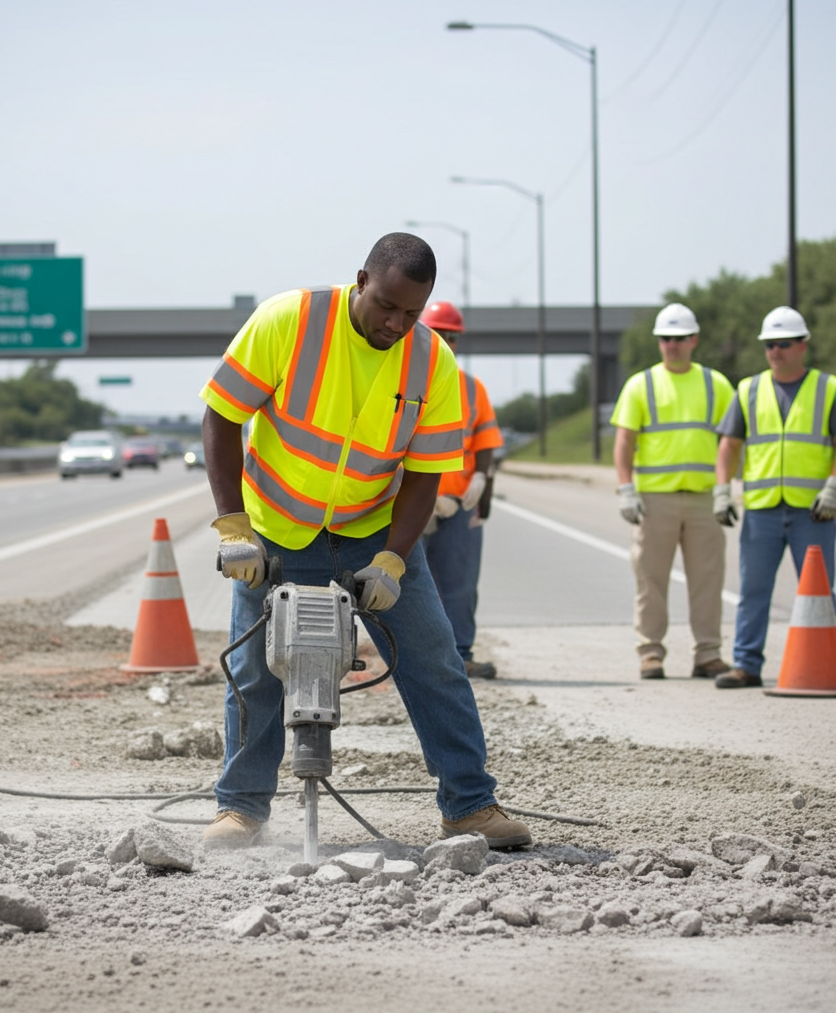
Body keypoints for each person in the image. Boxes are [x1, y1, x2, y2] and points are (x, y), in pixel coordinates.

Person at [197, 231, 531, 850]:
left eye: (412, 313)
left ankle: (469, 806)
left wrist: (392, 560)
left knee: (435, 661)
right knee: (254, 671)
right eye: (387, 306)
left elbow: (426, 473)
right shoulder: (289, 321)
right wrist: (233, 525)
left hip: (370, 531)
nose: (396, 324)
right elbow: (222, 416)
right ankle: (240, 809)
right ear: (361, 282)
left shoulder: (432, 361)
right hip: (276, 532)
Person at [712, 305, 836, 689]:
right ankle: (746, 665)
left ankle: (829, 666)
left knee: (822, 593)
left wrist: (833, 487)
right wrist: (722, 490)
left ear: (803, 345)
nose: (775, 351)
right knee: (753, 591)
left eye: (784, 344)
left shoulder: (828, 389)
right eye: (769, 345)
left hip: (813, 511)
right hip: (762, 510)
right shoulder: (748, 390)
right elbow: (729, 445)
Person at [610, 302, 735, 680]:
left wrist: (725, 489)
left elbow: (731, 442)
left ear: (694, 340)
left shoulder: (716, 384)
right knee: (650, 581)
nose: (672, 344)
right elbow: (624, 441)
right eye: (666, 338)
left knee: (708, 580)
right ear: (658, 341)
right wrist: (626, 488)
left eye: (680, 338)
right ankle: (651, 653)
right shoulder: (641, 385)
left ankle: (708, 654)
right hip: (654, 501)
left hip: (703, 499)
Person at [420, 300, 502, 679]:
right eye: (437, 334)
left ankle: (460, 654)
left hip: (460, 503)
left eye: (451, 336)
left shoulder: (471, 388)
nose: (445, 342)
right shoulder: (398, 381)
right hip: (413, 502)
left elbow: (486, 442)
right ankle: (412, 660)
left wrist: (482, 482)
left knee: (460, 584)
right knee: (407, 586)